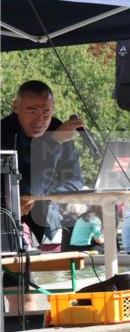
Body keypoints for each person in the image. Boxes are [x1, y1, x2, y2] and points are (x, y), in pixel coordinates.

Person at [0, 80, 84, 244]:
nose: (40, 119)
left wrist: (39, 197)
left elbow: (75, 181)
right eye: (32, 111)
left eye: (46, 112)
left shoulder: (57, 128)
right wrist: (53, 143)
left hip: (46, 219)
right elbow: (25, 187)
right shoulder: (3, 133)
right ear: (16, 107)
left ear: (54, 108)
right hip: (8, 219)